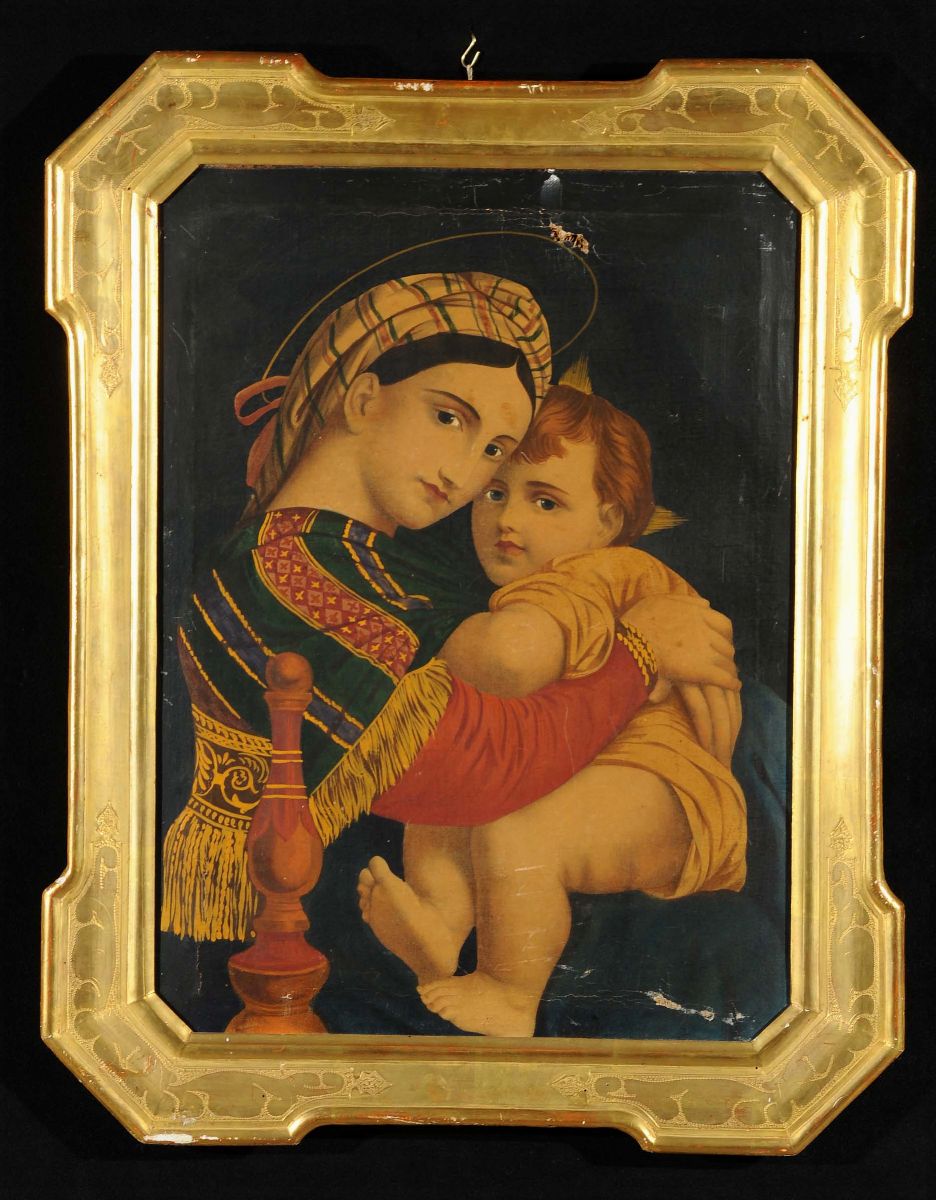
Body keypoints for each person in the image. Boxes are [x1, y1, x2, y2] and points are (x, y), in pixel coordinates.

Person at [160, 273, 738, 994]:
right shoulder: (294, 568)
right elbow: (484, 763)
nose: (464, 474)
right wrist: (641, 649)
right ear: (363, 398)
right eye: (448, 417)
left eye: (493, 449)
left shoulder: (368, 563)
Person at [357, 383, 746, 1036]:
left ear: (608, 521)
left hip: (667, 794)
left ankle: (510, 992)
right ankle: (441, 921)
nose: (509, 519)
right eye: (494, 493)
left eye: (545, 501)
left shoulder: (595, 575)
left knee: (517, 826)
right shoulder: (554, 580)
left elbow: (511, 659)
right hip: (594, 777)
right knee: (457, 781)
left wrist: (418, 639)